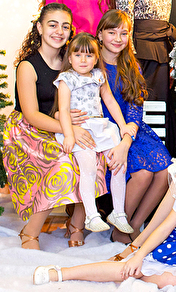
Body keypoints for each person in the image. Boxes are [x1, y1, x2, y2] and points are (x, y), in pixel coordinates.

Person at [32, 137, 176, 287]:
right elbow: (165, 228)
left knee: (174, 281)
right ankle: (62, 273)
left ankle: (136, 273)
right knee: (132, 269)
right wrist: (138, 254)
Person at [2, 3, 106, 250]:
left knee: (94, 158)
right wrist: (69, 129)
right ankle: (30, 232)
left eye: (65, 26)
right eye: (52, 25)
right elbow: (31, 114)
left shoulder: (72, 61)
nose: (59, 31)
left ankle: (76, 224)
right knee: (63, 166)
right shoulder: (28, 66)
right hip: (29, 130)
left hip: (65, 126)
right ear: (39, 28)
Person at [97, 10, 172, 243]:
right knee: (143, 173)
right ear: (100, 34)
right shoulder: (91, 64)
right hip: (105, 130)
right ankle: (121, 225)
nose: (118, 38)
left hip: (132, 129)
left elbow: (135, 105)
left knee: (165, 173)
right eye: (112, 32)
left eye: (124, 33)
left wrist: (128, 136)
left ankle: (133, 227)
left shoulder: (131, 65)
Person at [53, 33, 137, 234]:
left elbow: (109, 101)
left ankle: (118, 212)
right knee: (88, 167)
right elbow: (63, 109)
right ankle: (91, 215)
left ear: (96, 58)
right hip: (79, 130)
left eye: (89, 55)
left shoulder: (99, 76)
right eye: (78, 55)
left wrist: (123, 125)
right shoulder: (66, 79)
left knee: (118, 164)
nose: (83, 60)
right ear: (70, 58)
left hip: (100, 127)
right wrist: (69, 135)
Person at [106, 0, 176, 153]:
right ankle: (146, 158)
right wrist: (131, 63)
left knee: (163, 108)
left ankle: (164, 160)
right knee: (146, 109)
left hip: (163, 50)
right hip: (141, 56)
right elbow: (125, 28)